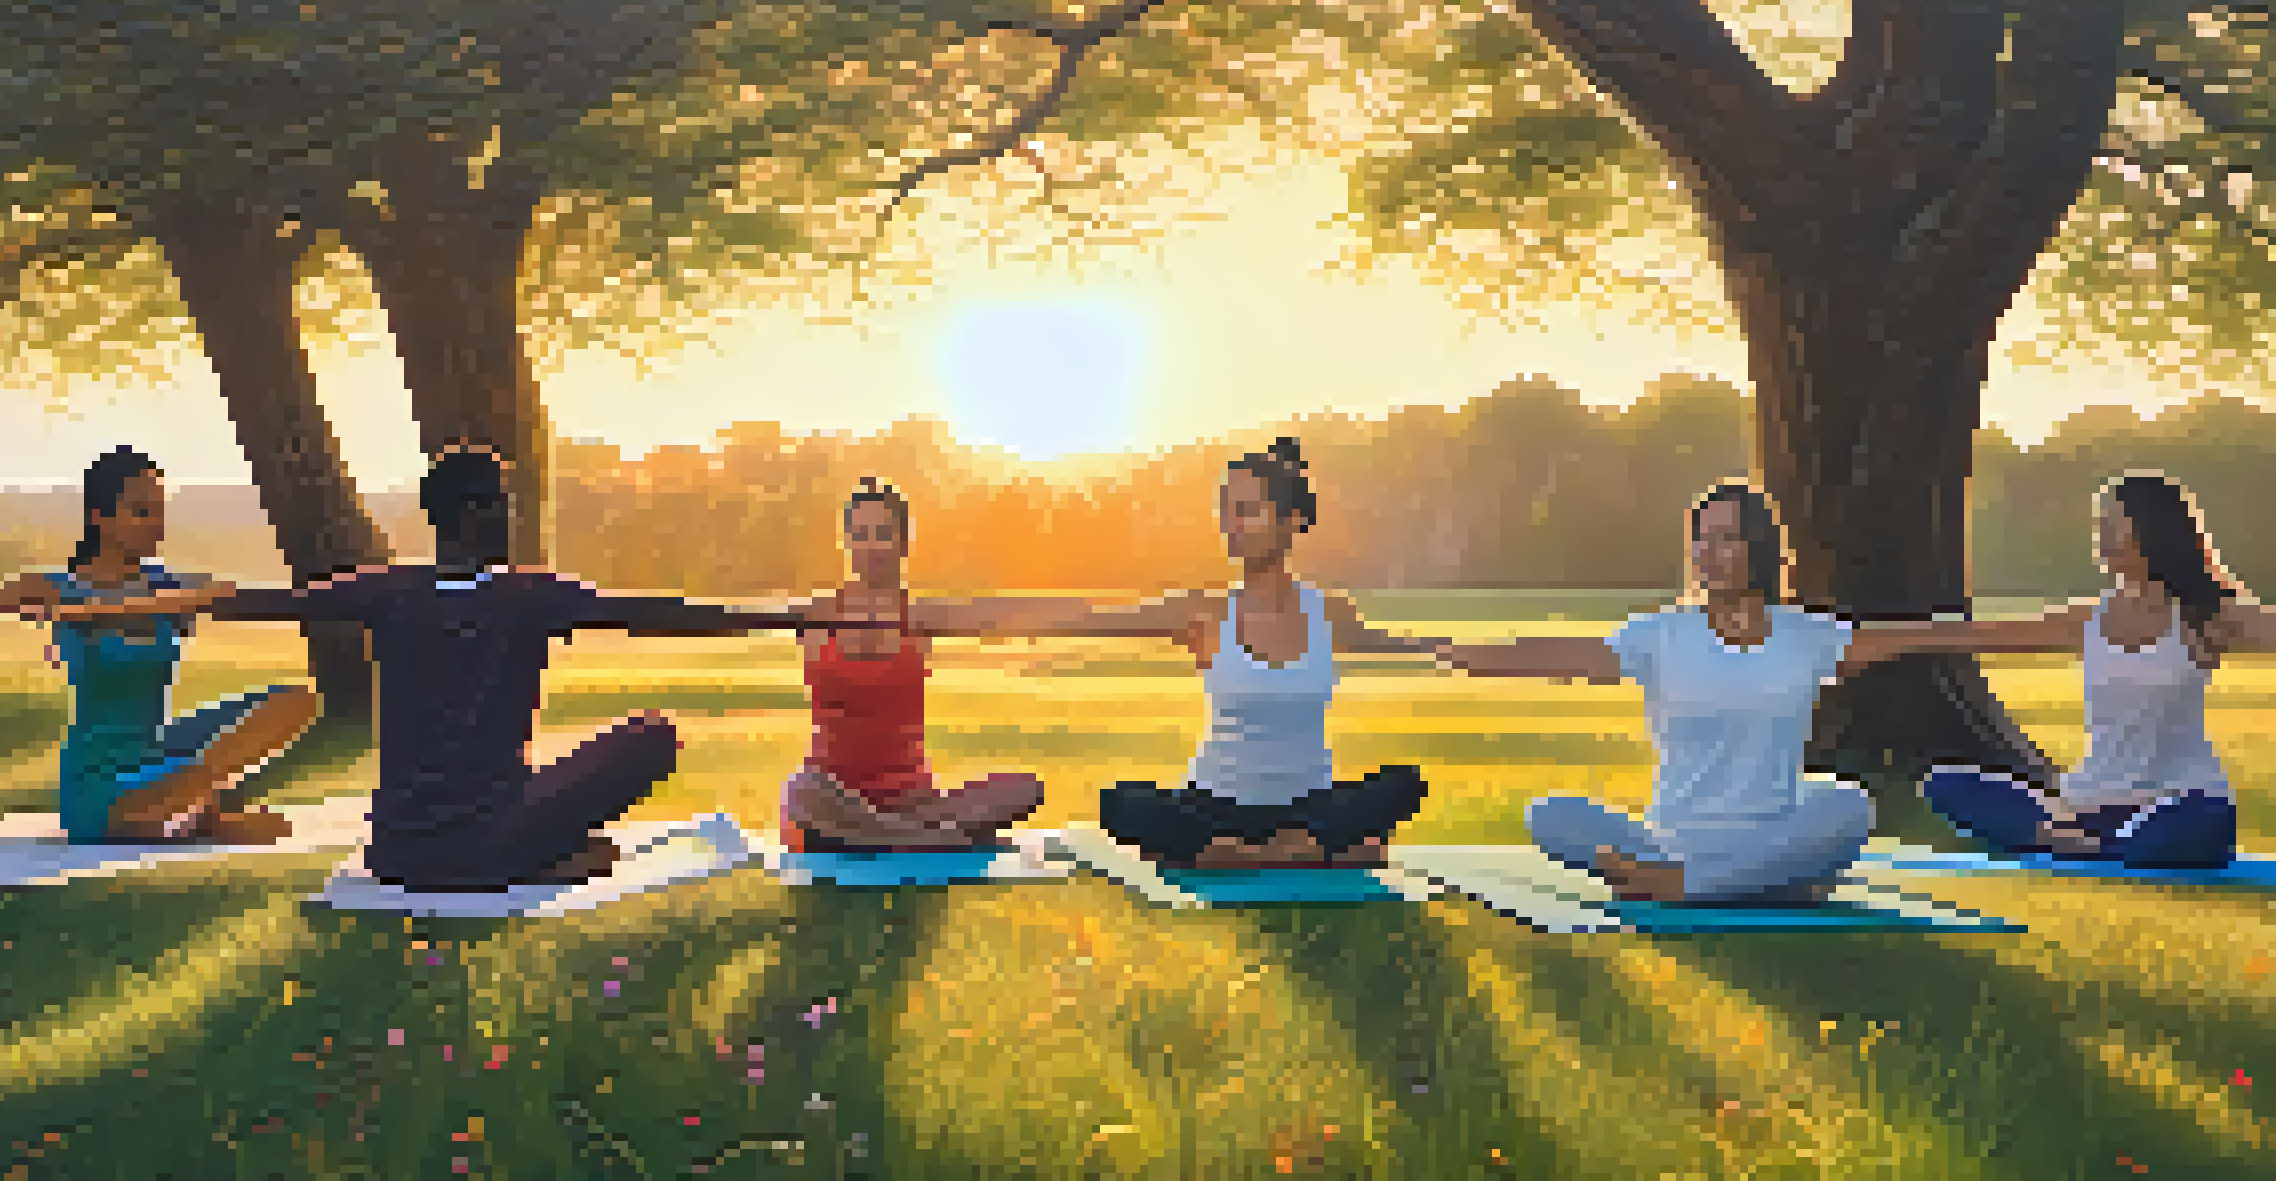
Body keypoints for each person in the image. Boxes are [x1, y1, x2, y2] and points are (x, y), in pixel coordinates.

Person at [85, 444, 890, 891]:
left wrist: (128, 600)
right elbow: (662, 615)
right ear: (472, 515)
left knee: (537, 782)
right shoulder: (528, 596)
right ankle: (544, 858)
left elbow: (258, 603)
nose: (511, 514)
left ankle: (546, 855)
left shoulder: (389, 592)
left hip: (397, 853)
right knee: (652, 736)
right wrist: (787, 617)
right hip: (486, 847)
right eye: (501, 503)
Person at [909, 438, 1456, 869]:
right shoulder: (1202, 612)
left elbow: (1422, 647)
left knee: (1406, 785)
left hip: (1308, 804)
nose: (1231, 525)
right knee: (1120, 804)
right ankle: (1307, 851)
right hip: (1215, 806)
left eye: (1248, 511)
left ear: (1290, 523)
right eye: (1227, 511)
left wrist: (1481, 653)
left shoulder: (1328, 615)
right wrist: (962, 617)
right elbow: (1087, 616)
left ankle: (1258, 853)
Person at [1441, 480, 1875, 904]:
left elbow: (1898, 638)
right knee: (1548, 813)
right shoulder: (1664, 633)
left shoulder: (1803, 635)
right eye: (1701, 540)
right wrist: (1459, 652)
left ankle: (1695, 886)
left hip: (1770, 833)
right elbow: (1570, 654)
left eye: (1725, 539)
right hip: (1669, 846)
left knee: (1850, 806)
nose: (1708, 554)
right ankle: (1764, 882)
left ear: (1758, 549)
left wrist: (1945, 630)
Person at [0, 447, 319, 844]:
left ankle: (190, 812)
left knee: (297, 701)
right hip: (101, 782)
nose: (156, 525)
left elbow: (224, 592)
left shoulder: (167, 586)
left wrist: (101, 611)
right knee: (191, 795)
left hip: (160, 750)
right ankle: (195, 813)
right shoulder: (57, 586)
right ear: (99, 517)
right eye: (141, 512)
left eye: (160, 512)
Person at [1843, 471, 2265, 868]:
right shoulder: (2088, 620)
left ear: (2151, 532)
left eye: (2113, 525)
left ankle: (2081, 846)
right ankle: (2091, 844)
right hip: (2085, 808)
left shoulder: (2205, 616)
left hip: (2181, 803)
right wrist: (1877, 641)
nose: (2101, 538)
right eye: (2100, 525)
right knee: (1946, 785)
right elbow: (1974, 634)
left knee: (2205, 823)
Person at [773, 478, 1045, 852]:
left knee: (1024, 788)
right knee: (802, 792)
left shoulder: (921, 616)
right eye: (861, 534)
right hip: (831, 794)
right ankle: (921, 841)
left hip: (913, 802)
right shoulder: (815, 613)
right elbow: (727, 616)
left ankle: (891, 835)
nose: (871, 546)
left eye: (882, 534)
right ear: (848, 542)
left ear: (902, 543)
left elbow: (1008, 612)